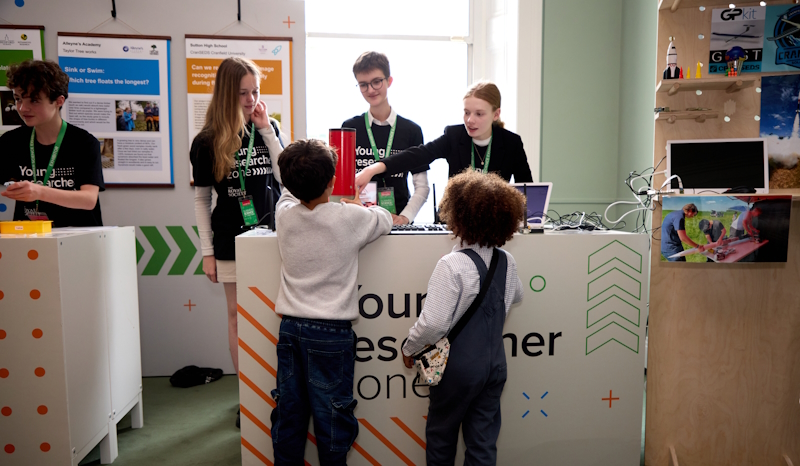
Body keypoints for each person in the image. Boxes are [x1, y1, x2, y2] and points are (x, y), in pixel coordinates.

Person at [269, 139, 392, 465]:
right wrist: (359, 206)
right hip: (331, 334)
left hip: (291, 330)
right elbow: (385, 218)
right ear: (332, 181)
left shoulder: (283, 217)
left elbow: (285, 194)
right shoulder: (350, 217)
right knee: (333, 416)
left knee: (289, 411)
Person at [401, 170, 525, 465]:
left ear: (457, 217)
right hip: (495, 366)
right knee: (483, 442)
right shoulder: (506, 260)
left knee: (442, 438)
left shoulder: (453, 264)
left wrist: (409, 348)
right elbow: (517, 296)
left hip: (456, 371)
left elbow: (433, 323)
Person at [190, 57, 284, 427]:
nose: (251, 99)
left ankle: (277, 394)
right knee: (236, 317)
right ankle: (248, 395)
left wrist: (266, 132)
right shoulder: (206, 141)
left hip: (273, 238)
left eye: (255, 91)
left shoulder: (268, 127)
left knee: (276, 315)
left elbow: (286, 177)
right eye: (243, 93)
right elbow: (201, 201)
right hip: (229, 240)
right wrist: (207, 253)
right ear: (227, 93)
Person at [355, 81, 533, 193]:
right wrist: (371, 170)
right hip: (455, 222)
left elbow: (527, 190)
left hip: (496, 223)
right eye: (466, 112)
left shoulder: (511, 143)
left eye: (479, 114)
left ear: (496, 114)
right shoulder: (454, 136)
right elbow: (416, 155)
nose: (470, 120)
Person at [0, 59, 105, 227]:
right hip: (30, 240)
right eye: (18, 99)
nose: (22, 108)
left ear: (59, 101)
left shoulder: (84, 143)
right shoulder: (11, 141)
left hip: (78, 239)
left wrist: (39, 191)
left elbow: (88, 200)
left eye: (33, 100)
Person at [342, 51, 429, 225]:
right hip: (359, 221)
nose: (371, 90)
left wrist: (405, 217)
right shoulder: (350, 128)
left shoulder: (411, 130)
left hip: (398, 221)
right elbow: (343, 184)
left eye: (376, 82)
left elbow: (422, 186)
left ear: (389, 81)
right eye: (363, 85)